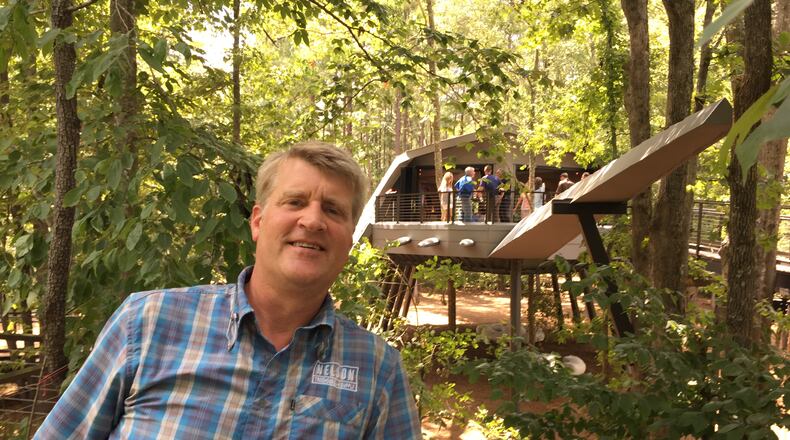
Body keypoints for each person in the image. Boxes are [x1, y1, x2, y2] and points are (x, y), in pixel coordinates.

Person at [35, 142, 421, 439]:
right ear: (258, 222)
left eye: (333, 210)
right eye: (295, 201)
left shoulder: (377, 370)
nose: (313, 220)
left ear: (349, 240)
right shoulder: (148, 324)